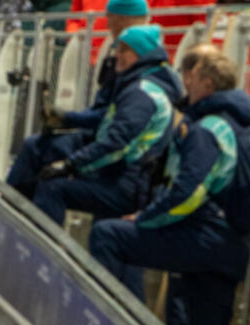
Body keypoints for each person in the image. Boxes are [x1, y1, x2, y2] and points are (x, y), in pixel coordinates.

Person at [88, 52, 250, 325]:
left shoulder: (208, 129)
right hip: (233, 244)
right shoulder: (243, 125)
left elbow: (187, 193)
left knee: (109, 235)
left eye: (191, 76)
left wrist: (144, 219)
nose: (186, 82)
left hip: (203, 237)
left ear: (207, 84)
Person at [30, 25, 179, 228]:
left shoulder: (141, 94)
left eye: (124, 50)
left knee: (53, 188)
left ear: (141, 54)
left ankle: (38, 245)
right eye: (117, 49)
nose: (117, 55)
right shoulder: (136, 85)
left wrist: (70, 164)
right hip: (120, 176)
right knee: (42, 154)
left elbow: (116, 144)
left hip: (126, 185)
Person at [6, 0, 149, 198]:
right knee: (35, 146)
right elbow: (104, 110)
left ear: (122, 20)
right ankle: (13, 205)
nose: (107, 24)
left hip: (116, 155)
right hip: (99, 137)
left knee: (50, 179)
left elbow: (115, 127)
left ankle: (15, 206)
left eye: (110, 19)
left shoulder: (143, 72)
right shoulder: (116, 57)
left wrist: (70, 158)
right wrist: (65, 119)